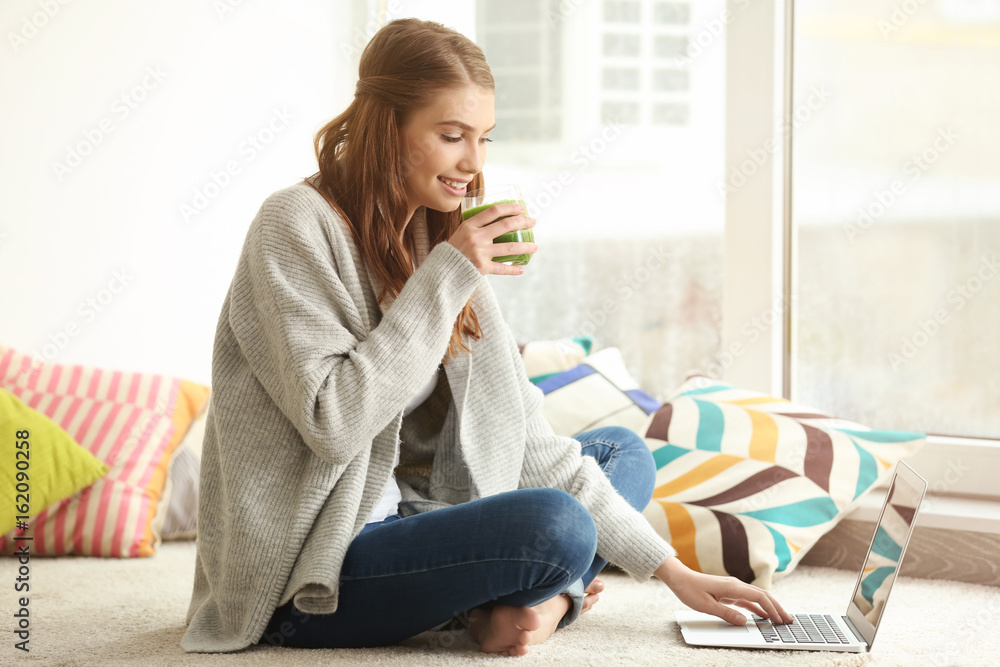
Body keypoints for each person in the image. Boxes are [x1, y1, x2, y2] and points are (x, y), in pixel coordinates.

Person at [180, 17, 792, 658]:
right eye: (451, 137)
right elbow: (333, 422)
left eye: (484, 139)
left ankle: (539, 601)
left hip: (416, 514)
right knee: (556, 526)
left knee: (619, 454)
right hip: (315, 567)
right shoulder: (295, 225)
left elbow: (526, 439)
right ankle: (541, 593)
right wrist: (451, 272)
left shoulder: (434, 232)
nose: (474, 165)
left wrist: (675, 573)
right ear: (386, 128)